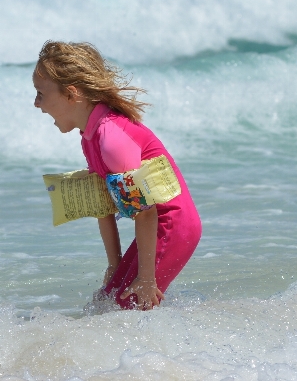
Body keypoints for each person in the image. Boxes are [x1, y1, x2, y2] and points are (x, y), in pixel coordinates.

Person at [32, 41, 201, 310]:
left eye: (40, 93)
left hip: (170, 226)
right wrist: (115, 263)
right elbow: (102, 205)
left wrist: (146, 278)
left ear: (71, 94)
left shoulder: (111, 138)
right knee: (103, 304)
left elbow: (146, 212)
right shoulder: (90, 136)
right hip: (155, 227)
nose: (36, 103)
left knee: (127, 308)